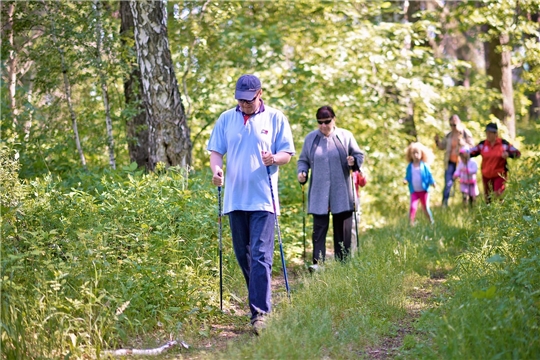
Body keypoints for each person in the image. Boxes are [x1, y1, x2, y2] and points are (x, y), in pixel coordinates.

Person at [207, 74, 295, 334]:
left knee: (260, 256)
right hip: (235, 199)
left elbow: (287, 154)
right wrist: (217, 171)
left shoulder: (276, 118)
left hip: (263, 200)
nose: (244, 104)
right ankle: (258, 299)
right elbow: (216, 152)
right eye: (241, 100)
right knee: (244, 256)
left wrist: (274, 159)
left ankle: (260, 314)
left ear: (260, 94)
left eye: (249, 100)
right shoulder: (226, 119)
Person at [297, 105, 364, 270]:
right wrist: (302, 172)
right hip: (319, 192)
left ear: (334, 119)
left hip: (341, 191)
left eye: (327, 122)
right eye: (320, 122)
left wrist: (353, 161)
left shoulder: (345, 136)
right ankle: (318, 264)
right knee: (319, 229)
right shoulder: (311, 139)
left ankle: (343, 265)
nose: (323, 126)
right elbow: (303, 160)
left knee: (343, 230)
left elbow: (358, 155)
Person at [469, 122, 521, 203]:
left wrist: (508, 154)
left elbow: (517, 153)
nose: (488, 135)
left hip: (500, 174)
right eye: (487, 133)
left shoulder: (503, 144)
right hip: (486, 175)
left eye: (490, 133)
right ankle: (488, 213)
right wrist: (463, 152)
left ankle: (501, 212)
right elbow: (471, 152)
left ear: (495, 133)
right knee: (488, 197)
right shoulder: (483, 144)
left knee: (498, 194)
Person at [434, 115, 475, 207]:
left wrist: (463, 143)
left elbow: (472, 147)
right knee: (448, 183)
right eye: (451, 125)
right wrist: (437, 142)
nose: (453, 127)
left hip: (463, 163)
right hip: (450, 162)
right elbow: (442, 147)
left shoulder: (465, 133)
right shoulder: (449, 135)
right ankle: (444, 204)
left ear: (459, 123)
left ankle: (467, 205)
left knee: (465, 183)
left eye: (454, 124)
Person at [403, 142, 436, 225]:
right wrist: (405, 180)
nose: (415, 155)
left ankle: (430, 221)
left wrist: (432, 182)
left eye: (417, 153)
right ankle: (411, 223)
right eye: (413, 153)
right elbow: (408, 176)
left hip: (424, 191)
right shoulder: (410, 166)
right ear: (410, 155)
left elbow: (429, 176)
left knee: (425, 207)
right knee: (413, 207)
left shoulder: (424, 166)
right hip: (414, 191)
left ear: (422, 154)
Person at [351, 169, 367, 251]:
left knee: (354, 224)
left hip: (355, 199)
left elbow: (362, 183)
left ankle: (353, 250)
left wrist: (362, 175)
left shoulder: (355, 168)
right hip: (342, 200)